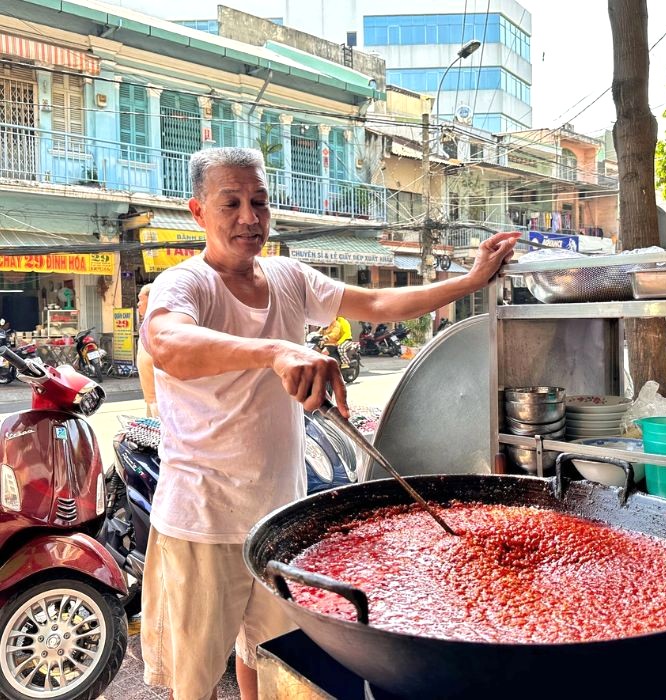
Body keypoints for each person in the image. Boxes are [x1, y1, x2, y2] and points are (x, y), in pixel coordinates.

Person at [140, 146, 519, 700]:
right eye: (232, 204)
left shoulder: (289, 277)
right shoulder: (185, 284)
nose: (250, 218)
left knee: (278, 667)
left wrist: (468, 282)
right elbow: (168, 343)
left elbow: (381, 301)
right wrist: (274, 350)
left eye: (259, 203)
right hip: (201, 522)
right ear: (198, 212)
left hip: (279, 520)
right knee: (193, 684)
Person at [136, 284, 158, 417]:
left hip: (160, 400)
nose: (138, 304)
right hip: (150, 399)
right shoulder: (146, 325)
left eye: (140, 299)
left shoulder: (158, 325)